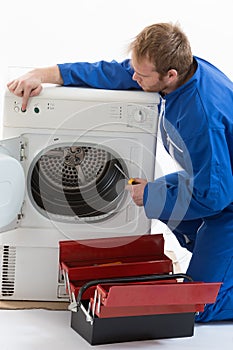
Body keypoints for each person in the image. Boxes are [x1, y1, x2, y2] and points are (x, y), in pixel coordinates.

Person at [7, 22, 233, 323]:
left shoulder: (201, 115)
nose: (133, 77)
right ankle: (214, 252)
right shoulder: (180, 71)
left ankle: (220, 258)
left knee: (198, 305)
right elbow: (109, 72)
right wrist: (43, 74)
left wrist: (150, 195)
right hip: (211, 180)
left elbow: (216, 197)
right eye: (135, 69)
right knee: (161, 196)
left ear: (170, 75)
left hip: (225, 202)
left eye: (141, 74)